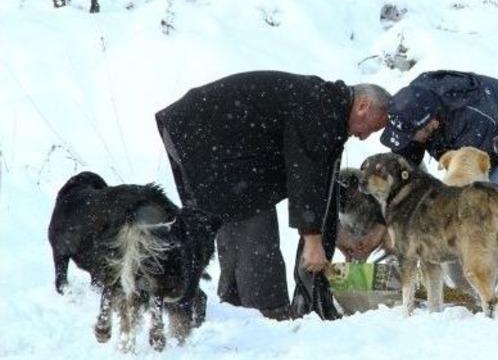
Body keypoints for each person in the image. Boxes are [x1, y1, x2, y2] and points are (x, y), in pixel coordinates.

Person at [155, 71, 390, 321]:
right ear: (363, 105)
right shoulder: (321, 109)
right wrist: (312, 241)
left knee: (234, 208)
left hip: (196, 129)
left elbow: (321, 182)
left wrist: (333, 235)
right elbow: (305, 175)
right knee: (252, 214)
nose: (365, 136)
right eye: (372, 128)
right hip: (205, 131)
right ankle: (268, 311)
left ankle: (236, 305)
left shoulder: (327, 105)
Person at [380, 70, 498, 288]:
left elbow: (466, 192)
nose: (406, 141)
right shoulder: (414, 104)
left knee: (487, 203)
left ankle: (491, 278)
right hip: (482, 137)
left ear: (432, 123)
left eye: (410, 135)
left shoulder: (472, 119)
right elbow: (404, 164)